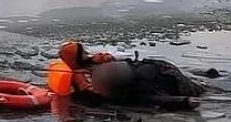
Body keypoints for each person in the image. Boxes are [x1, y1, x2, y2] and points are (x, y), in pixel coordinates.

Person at [48, 40, 203, 111]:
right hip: (158, 69)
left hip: (151, 80)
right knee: (200, 89)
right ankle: (188, 99)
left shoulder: (83, 76)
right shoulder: (98, 60)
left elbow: (98, 96)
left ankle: (185, 102)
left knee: (138, 99)